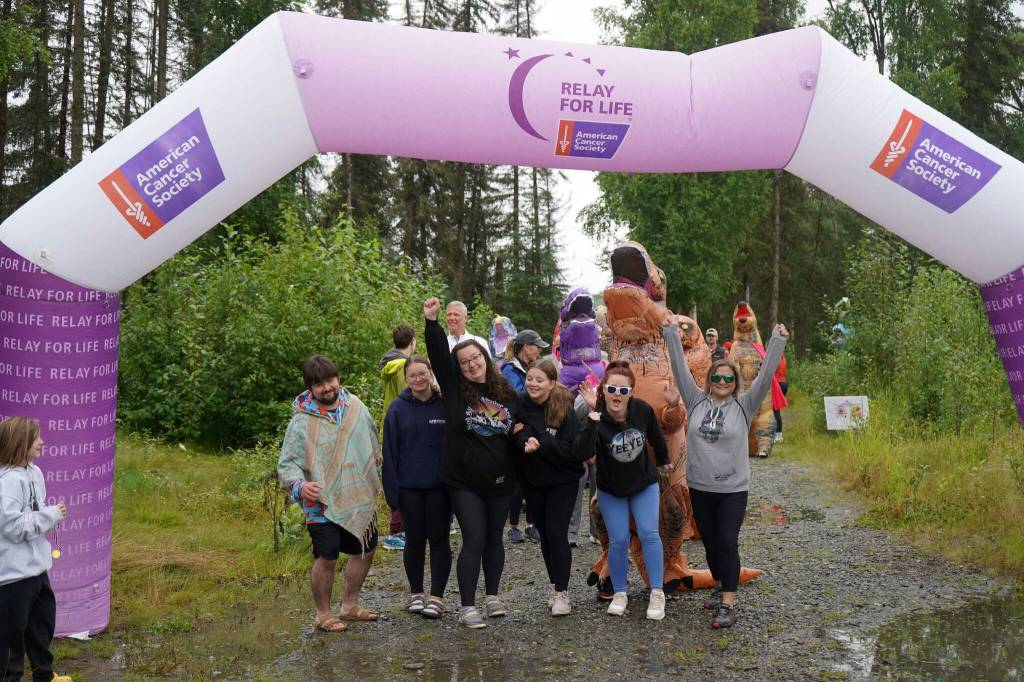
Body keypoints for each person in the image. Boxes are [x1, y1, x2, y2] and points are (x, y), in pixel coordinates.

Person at [663, 321, 789, 629]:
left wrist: (777, 341)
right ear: (709, 380)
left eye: (727, 378)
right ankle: (722, 583)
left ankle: (728, 602)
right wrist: (670, 333)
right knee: (710, 545)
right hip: (701, 487)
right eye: (717, 377)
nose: (722, 381)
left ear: (734, 383)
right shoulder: (695, 401)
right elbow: (679, 368)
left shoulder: (744, 405)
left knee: (727, 541)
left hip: (733, 489)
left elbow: (765, 375)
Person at [423, 297, 521, 629]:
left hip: (500, 481)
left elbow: (518, 428)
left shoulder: (506, 391)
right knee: (474, 537)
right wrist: (433, 323)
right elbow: (438, 356)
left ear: (485, 357)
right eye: (464, 362)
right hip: (463, 481)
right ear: (459, 367)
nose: (471, 364)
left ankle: (492, 595)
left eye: (475, 358)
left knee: (494, 538)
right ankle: (467, 606)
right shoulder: (453, 390)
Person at [277, 355, 382, 633]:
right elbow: (287, 465)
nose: (327, 388)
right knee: (328, 556)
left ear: (338, 379)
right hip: (320, 503)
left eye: (330, 380)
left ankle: (350, 605)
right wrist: (301, 486)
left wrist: (375, 472)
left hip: (358, 496)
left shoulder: (356, 408)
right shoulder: (301, 422)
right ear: (310, 388)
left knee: (366, 549)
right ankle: (323, 614)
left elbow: (372, 445)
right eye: (319, 384)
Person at [575, 361, 674, 621]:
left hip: (643, 484)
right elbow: (582, 452)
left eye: (623, 390)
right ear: (603, 391)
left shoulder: (641, 410)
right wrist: (591, 419)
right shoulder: (596, 418)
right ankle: (620, 592)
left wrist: (664, 461)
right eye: (611, 389)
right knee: (618, 541)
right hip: (611, 488)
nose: (617, 395)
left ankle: (657, 591)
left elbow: (655, 437)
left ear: (631, 392)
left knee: (649, 533)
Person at [0, 416, 73, 682]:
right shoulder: (7, 482)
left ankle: (45, 675)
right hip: (11, 577)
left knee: (41, 626)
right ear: (21, 443)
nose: (42, 442)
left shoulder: (34, 472)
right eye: (36, 438)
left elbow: (32, 510)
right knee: (10, 638)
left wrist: (46, 514)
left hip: (36, 569)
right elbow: (13, 527)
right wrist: (50, 515)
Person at [382, 356, 451, 619]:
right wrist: (393, 493)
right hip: (409, 487)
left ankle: (436, 597)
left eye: (423, 374)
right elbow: (389, 453)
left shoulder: (444, 405)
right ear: (406, 379)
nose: (419, 379)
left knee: (439, 539)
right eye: (413, 376)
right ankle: (416, 594)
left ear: (431, 373)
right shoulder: (397, 409)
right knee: (414, 540)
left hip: (440, 487)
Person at [512, 359, 581, 616]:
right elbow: (515, 432)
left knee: (557, 533)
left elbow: (571, 451)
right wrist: (523, 441)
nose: (533, 384)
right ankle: (554, 586)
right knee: (544, 534)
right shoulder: (520, 403)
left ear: (552, 384)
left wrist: (539, 439)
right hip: (533, 480)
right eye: (530, 378)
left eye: (539, 380)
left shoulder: (564, 406)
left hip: (563, 481)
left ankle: (563, 593)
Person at [500, 329, 550, 543]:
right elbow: (516, 396)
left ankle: (531, 523)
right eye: (536, 346)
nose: (539, 350)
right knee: (517, 480)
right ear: (525, 347)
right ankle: (512, 526)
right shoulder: (510, 370)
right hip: (516, 429)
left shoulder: (528, 367)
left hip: (530, 428)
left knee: (531, 477)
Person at [379, 324, 417, 551]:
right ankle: (397, 530)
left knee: (395, 473)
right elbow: (410, 396)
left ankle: (399, 528)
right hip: (402, 425)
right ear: (412, 341)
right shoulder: (403, 366)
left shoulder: (388, 364)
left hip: (390, 422)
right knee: (402, 476)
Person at [773, 353, 789, 443]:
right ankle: (778, 435)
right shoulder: (782, 357)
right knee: (776, 410)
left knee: (775, 410)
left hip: (777, 384)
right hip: (783, 383)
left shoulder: (774, 357)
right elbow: (785, 372)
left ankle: (778, 435)